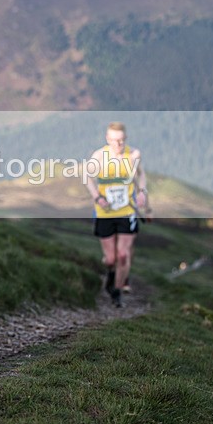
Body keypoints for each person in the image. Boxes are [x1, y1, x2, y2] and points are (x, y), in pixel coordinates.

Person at [85, 122, 147, 308]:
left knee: (123, 255)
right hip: (105, 213)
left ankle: (117, 292)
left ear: (125, 138)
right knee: (110, 258)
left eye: (120, 140)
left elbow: (141, 175)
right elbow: (87, 178)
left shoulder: (133, 154)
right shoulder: (99, 156)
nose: (117, 144)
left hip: (127, 211)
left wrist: (142, 191)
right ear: (107, 139)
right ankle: (111, 274)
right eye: (113, 140)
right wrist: (97, 197)